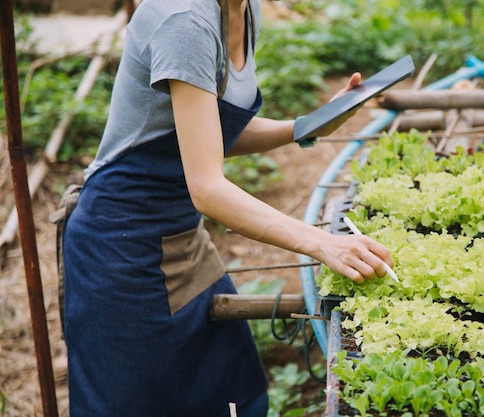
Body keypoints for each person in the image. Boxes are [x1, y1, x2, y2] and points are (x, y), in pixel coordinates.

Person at [60, 0, 395, 416]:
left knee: (237, 395)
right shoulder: (184, 21)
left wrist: (304, 127)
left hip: (180, 236)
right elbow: (207, 187)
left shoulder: (244, 9)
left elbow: (205, 132)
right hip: (120, 248)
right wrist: (323, 243)